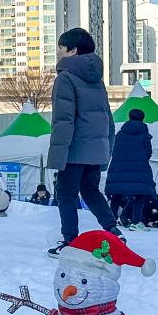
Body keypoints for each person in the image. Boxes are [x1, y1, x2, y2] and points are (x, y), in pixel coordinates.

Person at [46, 28, 120, 255]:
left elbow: (63, 121)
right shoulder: (97, 81)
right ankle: (113, 230)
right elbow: (107, 118)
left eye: (61, 47)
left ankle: (70, 241)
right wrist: (106, 150)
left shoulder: (65, 78)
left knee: (66, 193)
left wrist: (57, 156)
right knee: (90, 191)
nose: (58, 51)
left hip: (74, 150)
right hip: (95, 150)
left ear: (72, 50)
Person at [105, 107, 156, 230]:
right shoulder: (144, 134)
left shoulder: (120, 134)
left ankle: (111, 221)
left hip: (118, 168)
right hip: (139, 169)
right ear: (142, 119)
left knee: (117, 194)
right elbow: (148, 152)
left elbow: (114, 150)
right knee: (139, 194)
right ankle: (136, 221)